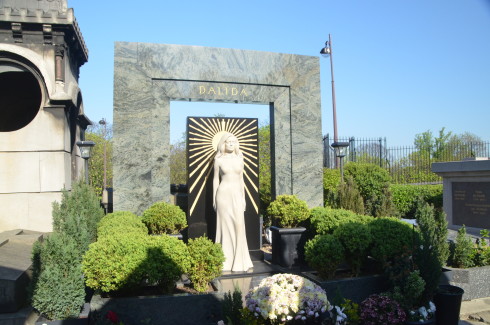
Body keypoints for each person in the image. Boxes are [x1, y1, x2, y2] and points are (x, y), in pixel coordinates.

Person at [213, 133, 253, 272]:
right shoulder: (218, 160)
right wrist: (214, 198)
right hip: (223, 195)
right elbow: (215, 180)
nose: (230, 144)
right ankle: (224, 260)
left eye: (233, 142)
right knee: (224, 226)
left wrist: (244, 198)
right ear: (223, 143)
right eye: (228, 142)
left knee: (239, 225)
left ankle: (240, 261)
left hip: (236, 195)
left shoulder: (240, 159)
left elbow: (242, 180)